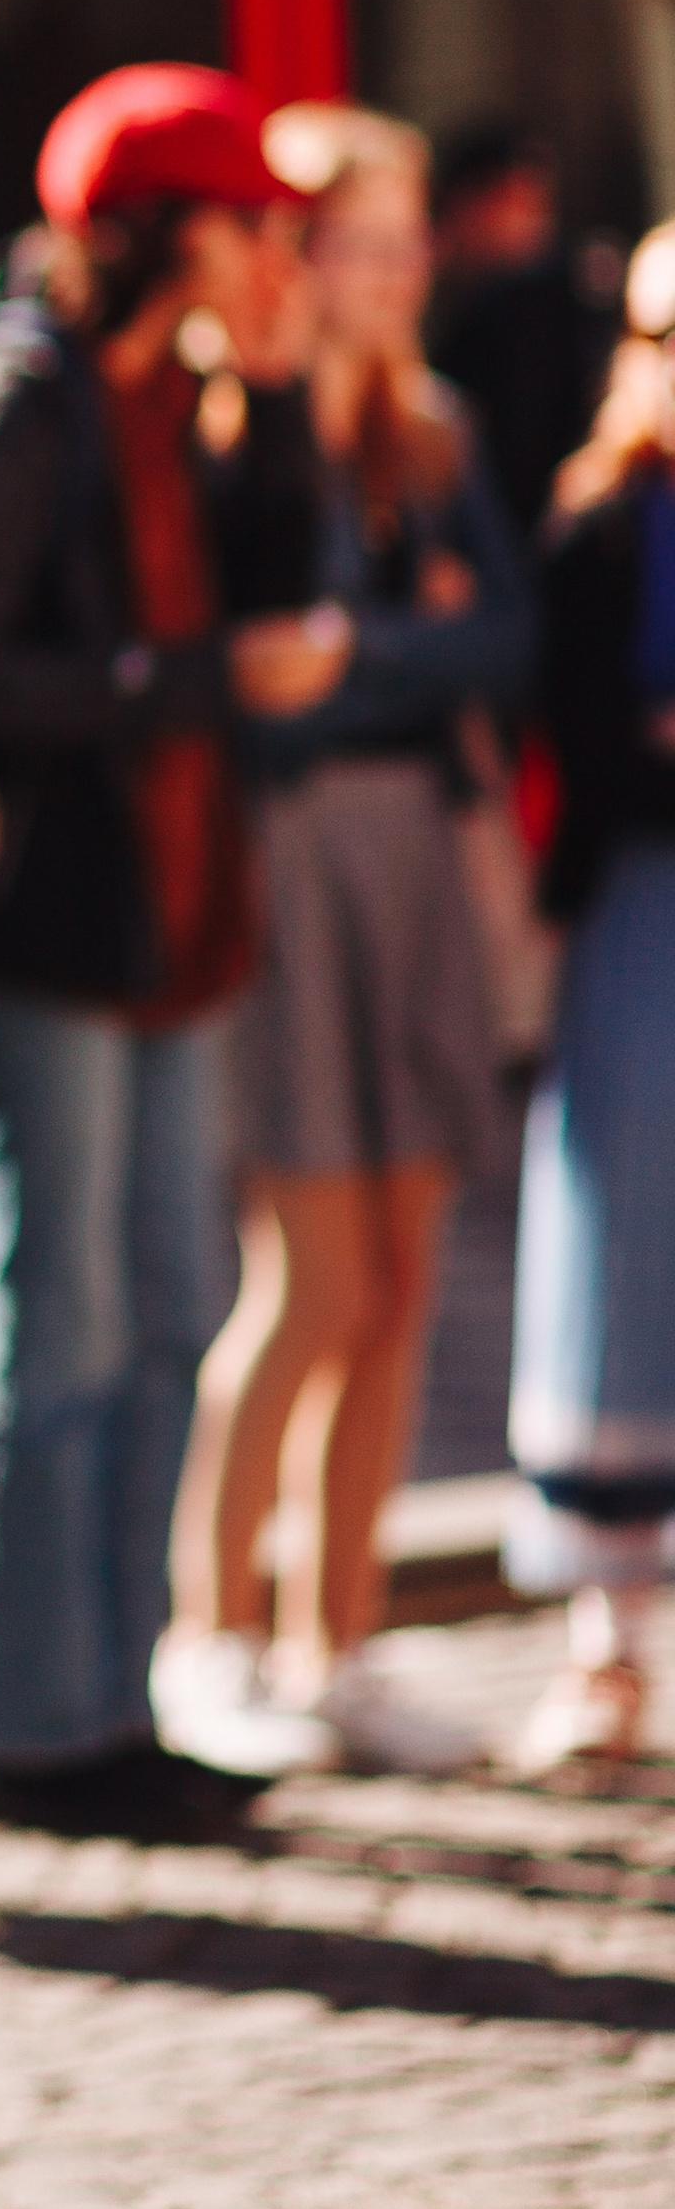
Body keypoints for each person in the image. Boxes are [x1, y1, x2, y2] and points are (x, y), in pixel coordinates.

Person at [0, 64, 346, 1842]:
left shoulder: (187, 399)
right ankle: (21, 1718)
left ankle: (116, 1697)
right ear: (166, 232)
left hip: (177, 925)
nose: (277, 255)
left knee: (170, 1306)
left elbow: (279, 582)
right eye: (255, 224)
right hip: (50, 932)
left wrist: (286, 391)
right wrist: (196, 685)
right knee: (58, 1316)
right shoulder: (21, 395)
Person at [163, 108, 529, 1781]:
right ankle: (213, 1636)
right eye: (357, 244)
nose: (390, 275)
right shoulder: (242, 424)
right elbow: (262, 690)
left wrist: (366, 652)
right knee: (307, 1276)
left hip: (418, 863)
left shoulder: (439, 433)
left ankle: (347, 1638)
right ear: (296, 256)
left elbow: (496, 647)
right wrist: (405, 643)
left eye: (405, 244)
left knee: (405, 1272)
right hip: (296, 863)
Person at [502, 219, 675, 1770]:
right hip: (637, 908)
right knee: (620, 1243)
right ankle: (608, 1637)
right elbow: (576, 727)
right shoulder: (603, 517)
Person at [428, 119, 619, 546]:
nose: (536, 224)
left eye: (540, 206)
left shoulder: (540, 302)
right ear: (463, 206)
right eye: (516, 204)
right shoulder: (465, 309)